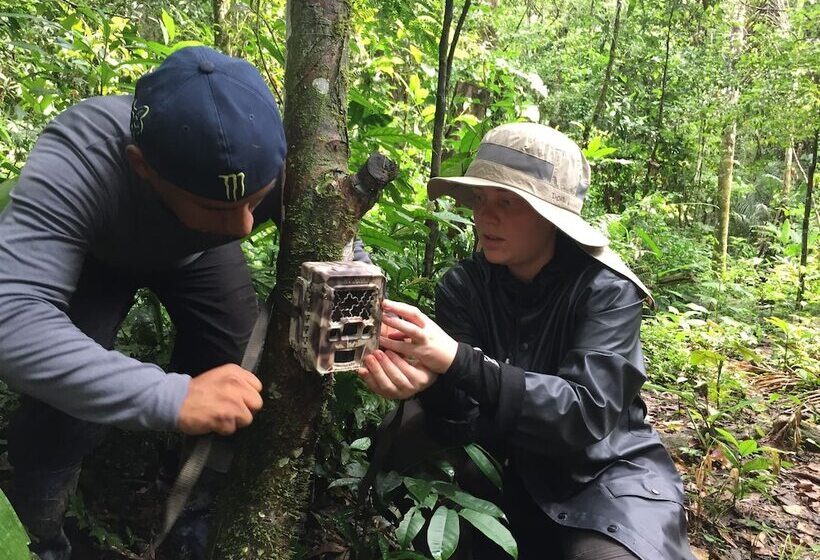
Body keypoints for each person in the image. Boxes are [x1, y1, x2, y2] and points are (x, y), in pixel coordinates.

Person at [0, 46, 298, 560]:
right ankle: (38, 531)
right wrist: (170, 396)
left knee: (239, 367)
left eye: (256, 201)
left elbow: (332, 235)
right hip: (97, 257)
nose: (245, 227)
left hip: (198, 255)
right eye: (218, 205)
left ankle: (195, 510)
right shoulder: (82, 155)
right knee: (65, 406)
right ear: (142, 167)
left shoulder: (267, 153)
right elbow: (13, 319)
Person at [358, 123, 694, 560]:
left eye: (508, 202)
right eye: (481, 199)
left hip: (605, 478)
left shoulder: (606, 290)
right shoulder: (465, 286)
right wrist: (429, 381)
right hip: (503, 473)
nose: (485, 216)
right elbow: (461, 419)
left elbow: (585, 413)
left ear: (552, 218)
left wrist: (458, 360)